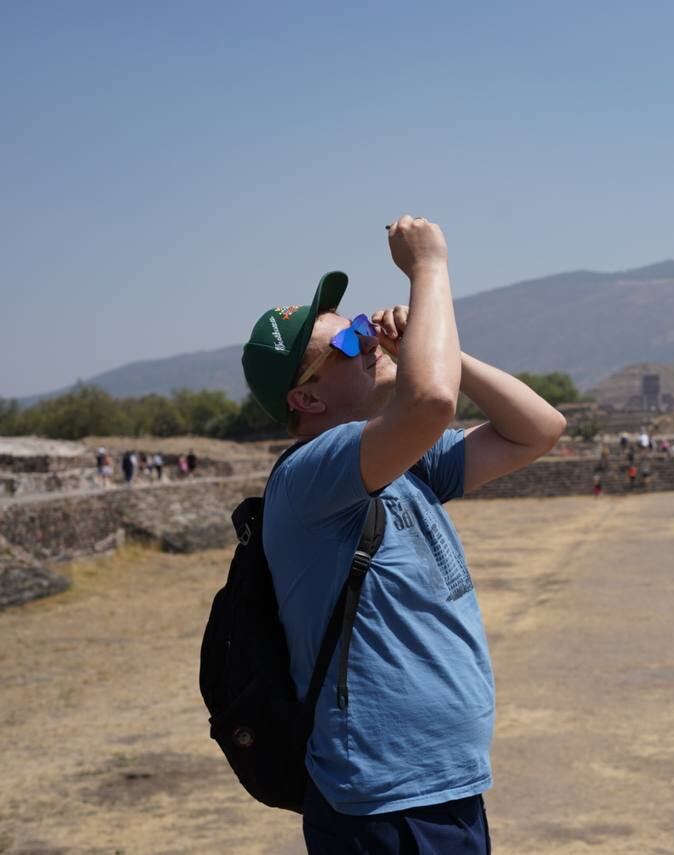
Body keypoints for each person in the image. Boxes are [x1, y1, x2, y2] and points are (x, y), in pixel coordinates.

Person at [240, 214, 565, 853]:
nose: (369, 340)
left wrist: (434, 342)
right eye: (350, 342)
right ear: (304, 401)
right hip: (382, 803)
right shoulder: (312, 473)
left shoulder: (404, 464)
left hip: (441, 786)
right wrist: (429, 270)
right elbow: (430, 403)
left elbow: (539, 429)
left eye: (362, 326)